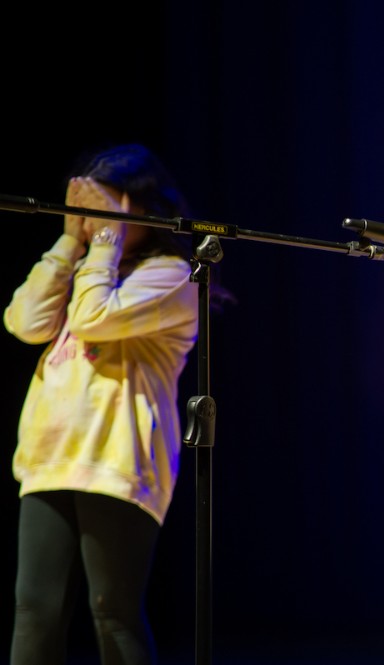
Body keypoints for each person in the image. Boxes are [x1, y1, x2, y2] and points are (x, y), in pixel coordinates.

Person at [4, 143, 199, 665]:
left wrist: (105, 242)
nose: (93, 226)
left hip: (117, 461)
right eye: (84, 213)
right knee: (33, 610)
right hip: (51, 457)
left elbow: (92, 319)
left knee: (112, 610)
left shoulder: (172, 276)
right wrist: (70, 244)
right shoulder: (91, 268)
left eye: (103, 211)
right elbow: (23, 322)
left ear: (140, 209)